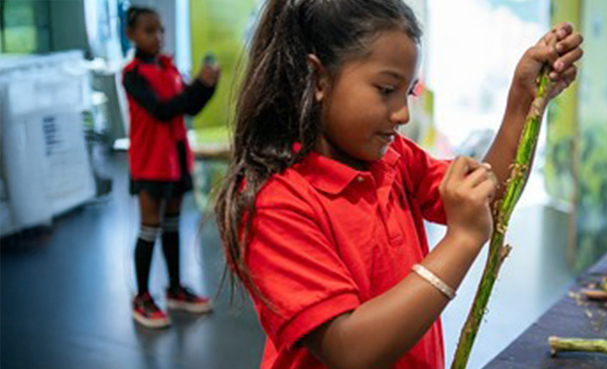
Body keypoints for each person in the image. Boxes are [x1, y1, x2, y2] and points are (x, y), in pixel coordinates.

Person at [214, 0, 583, 367]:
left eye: (408, 92)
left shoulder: (395, 159)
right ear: (319, 79)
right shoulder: (274, 202)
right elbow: (349, 350)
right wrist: (462, 241)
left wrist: (523, 100)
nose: (403, 114)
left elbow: (487, 199)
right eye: (386, 89)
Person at [123, 6, 218, 328]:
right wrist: (195, 87)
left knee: (173, 225)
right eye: (149, 30)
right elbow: (161, 110)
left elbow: (189, 107)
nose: (158, 36)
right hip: (150, 162)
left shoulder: (170, 69)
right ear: (131, 35)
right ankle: (142, 297)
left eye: (160, 30)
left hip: (176, 159)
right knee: (150, 228)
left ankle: (175, 289)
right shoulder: (133, 75)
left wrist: (206, 86)